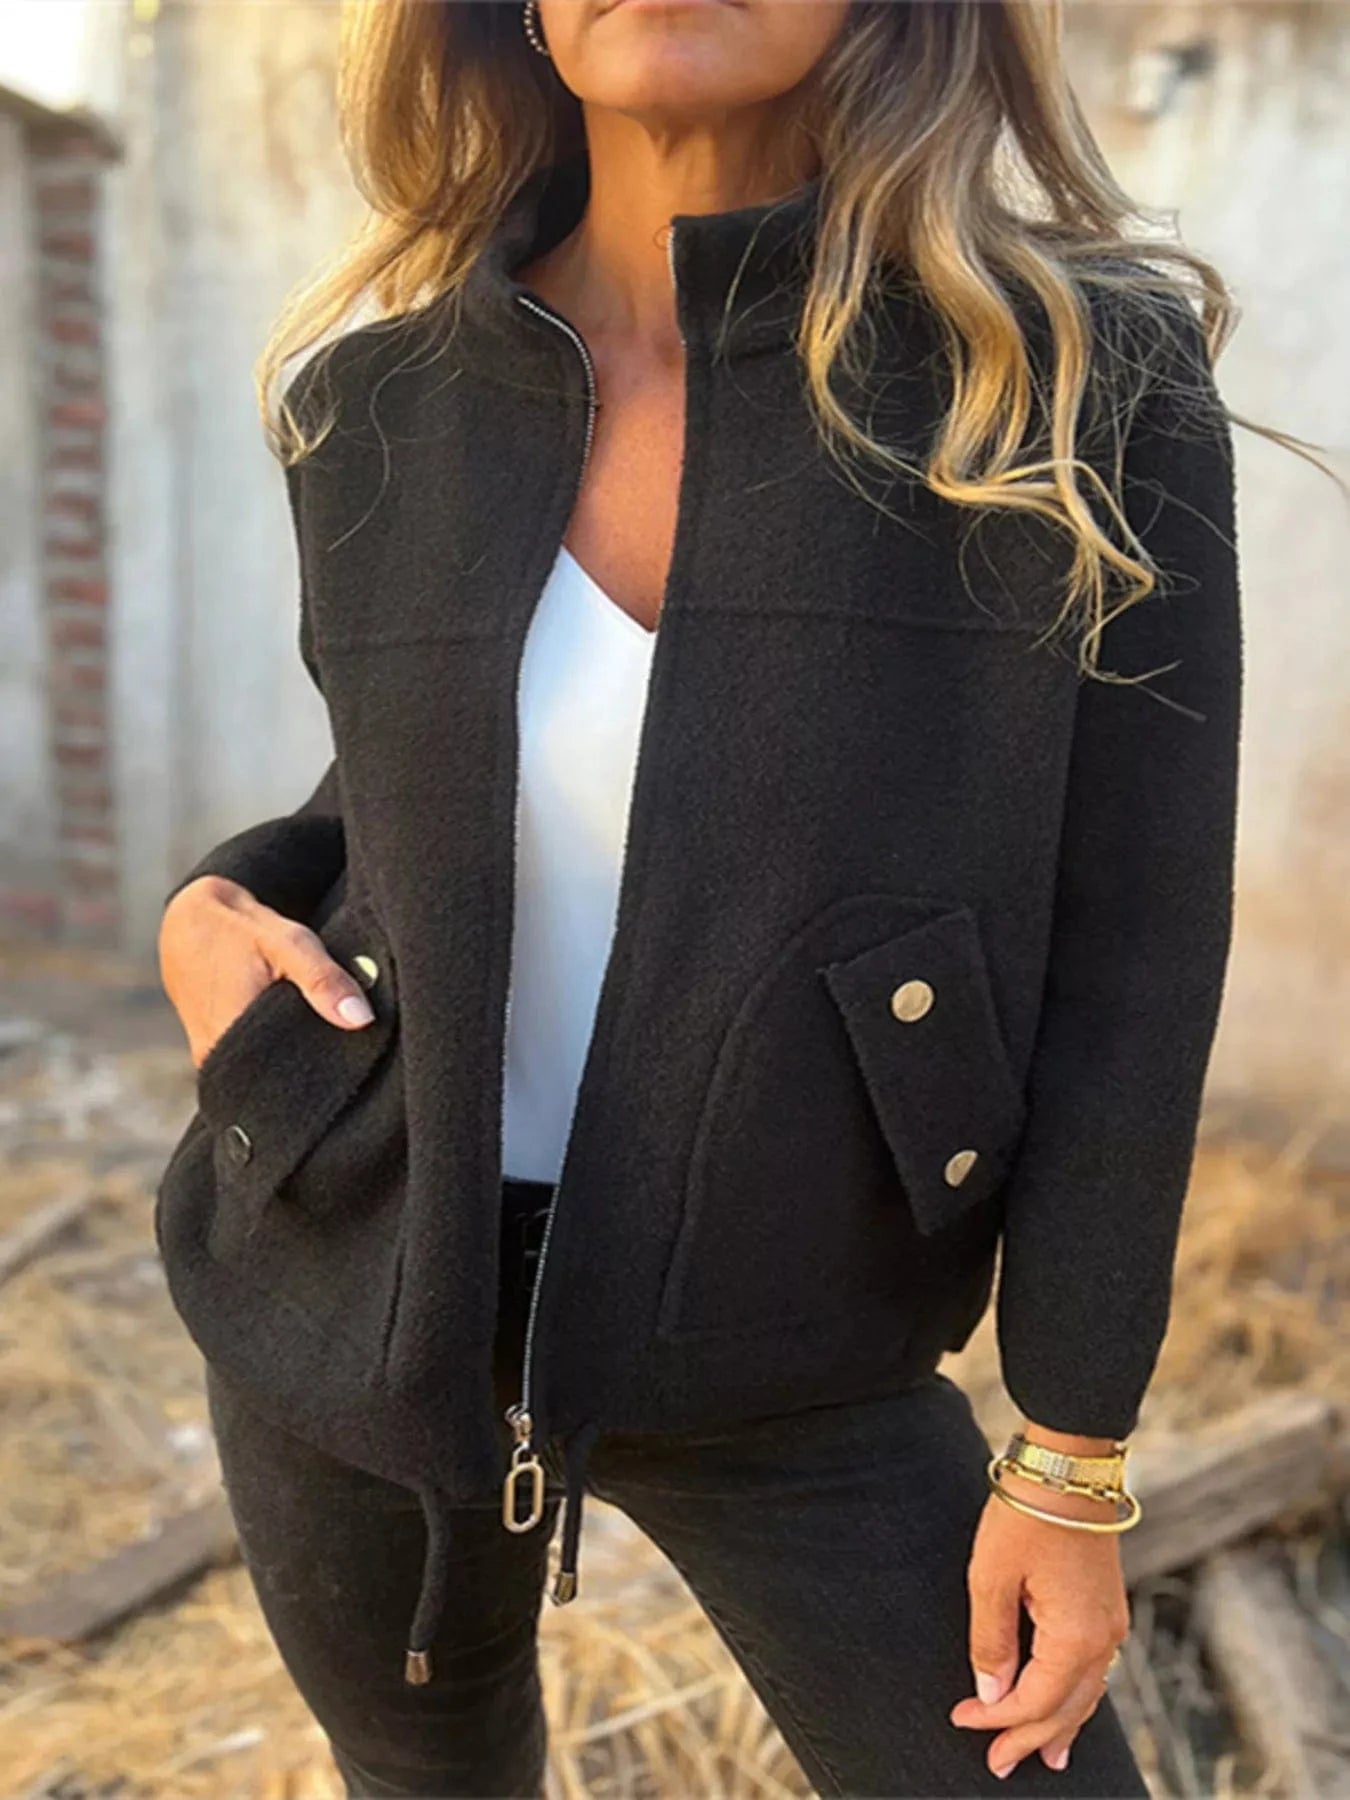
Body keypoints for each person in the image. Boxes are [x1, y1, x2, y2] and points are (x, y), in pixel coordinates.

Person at [155, 0, 1244, 1793]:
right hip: (354, 1280)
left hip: (798, 1336)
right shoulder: (378, 403)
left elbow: (1137, 946)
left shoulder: (1070, 379)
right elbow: (416, 799)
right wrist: (214, 905)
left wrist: (1068, 1449)